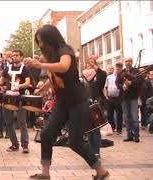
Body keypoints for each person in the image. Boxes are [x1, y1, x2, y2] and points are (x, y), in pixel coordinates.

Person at [26, 24, 109, 180]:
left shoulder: (65, 51)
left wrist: (40, 64)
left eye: (41, 41)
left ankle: (101, 171)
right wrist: (42, 89)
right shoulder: (50, 57)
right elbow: (56, 79)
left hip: (78, 102)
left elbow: (64, 67)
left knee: (75, 142)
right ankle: (45, 173)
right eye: (39, 41)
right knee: (46, 134)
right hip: (62, 103)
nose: (41, 44)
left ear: (50, 38)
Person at [2, 49, 31, 154]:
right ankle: (14, 144)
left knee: (22, 122)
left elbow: (28, 82)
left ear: (21, 57)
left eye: (17, 55)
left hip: (20, 98)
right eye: (13, 55)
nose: (15, 57)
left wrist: (19, 85)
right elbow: (1, 80)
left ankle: (25, 145)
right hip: (8, 97)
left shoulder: (24, 69)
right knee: (9, 122)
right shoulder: (7, 68)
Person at [81, 55, 107, 158]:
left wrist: (95, 67)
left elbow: (103, 75)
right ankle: (91, 150)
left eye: (92, 63)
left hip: (97, 102)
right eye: (88, 64)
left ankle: (96, 151)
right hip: (85, 103)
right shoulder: (82, 76)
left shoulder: (99, 75)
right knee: (89, 128)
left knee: (95, 128)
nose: (89, 65)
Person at [116, 57, 143, 143]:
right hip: (124, 98)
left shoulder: (136, 71)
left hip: (133, 98)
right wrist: (122, 86)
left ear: (132, 62)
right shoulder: (122, 72)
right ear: (125, 62)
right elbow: (117, 82)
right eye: (126, 61)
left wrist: (131, 83)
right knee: (127, 118)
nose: (128, 63)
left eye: (129, 61)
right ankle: (129, 136)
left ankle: (136, 136)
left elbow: (140, 80)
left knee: (134, 117)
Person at [104, 62, 123, 134]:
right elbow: (106, 87)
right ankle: (112, 127)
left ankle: (119, 129)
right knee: (110, 114)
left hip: (118, 98)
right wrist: (106, 96)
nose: (117, 69)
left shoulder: (121, 77)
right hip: (110, 98)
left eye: (119, 68)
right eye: (116, 67)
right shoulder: (109, 77)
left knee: (119, 114)